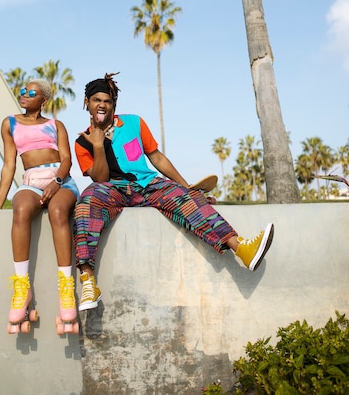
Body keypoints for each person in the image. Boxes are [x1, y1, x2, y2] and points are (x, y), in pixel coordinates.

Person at [73, 73, 274, 311]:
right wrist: (97, 146)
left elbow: (156, 157)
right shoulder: (82, 143)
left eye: (107, 100)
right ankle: (88, 282)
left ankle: (242, 249)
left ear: (113, 104)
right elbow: (101, 179)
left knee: (185, 199)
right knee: (86, 202)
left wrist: (185, 186)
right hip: (112, 190)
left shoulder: (134, 123)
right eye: (97, 100)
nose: (102, 105)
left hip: (147, 185)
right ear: (87, 102)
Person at [0, 79, 79, 333]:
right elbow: (9, 165)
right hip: (31, 180)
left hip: (61, 181)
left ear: (44, 100)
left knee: (58, 211)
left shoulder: (55, 125)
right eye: (23, 91)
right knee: (20, 209)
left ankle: (66, 290)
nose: (24, 95)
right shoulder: (10, 123)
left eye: (32, 93)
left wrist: (57, 182)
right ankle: (21, 286)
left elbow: (66, 160)